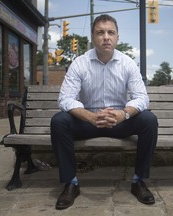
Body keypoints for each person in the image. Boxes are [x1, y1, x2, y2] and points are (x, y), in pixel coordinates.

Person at [51, 14, 158, 210]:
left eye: (111, 32)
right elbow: (65, 99)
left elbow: (142, 97)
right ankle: (71, 183)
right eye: (100, 32)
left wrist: (123, 114)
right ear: (93, 37)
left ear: (117, 37)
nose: (106, 37)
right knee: (59, 121)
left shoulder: (128, 63)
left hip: (119, 121)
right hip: (88, 122)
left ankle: (138, 180)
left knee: (149, 119)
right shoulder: (79, 63)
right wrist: (90, 116)